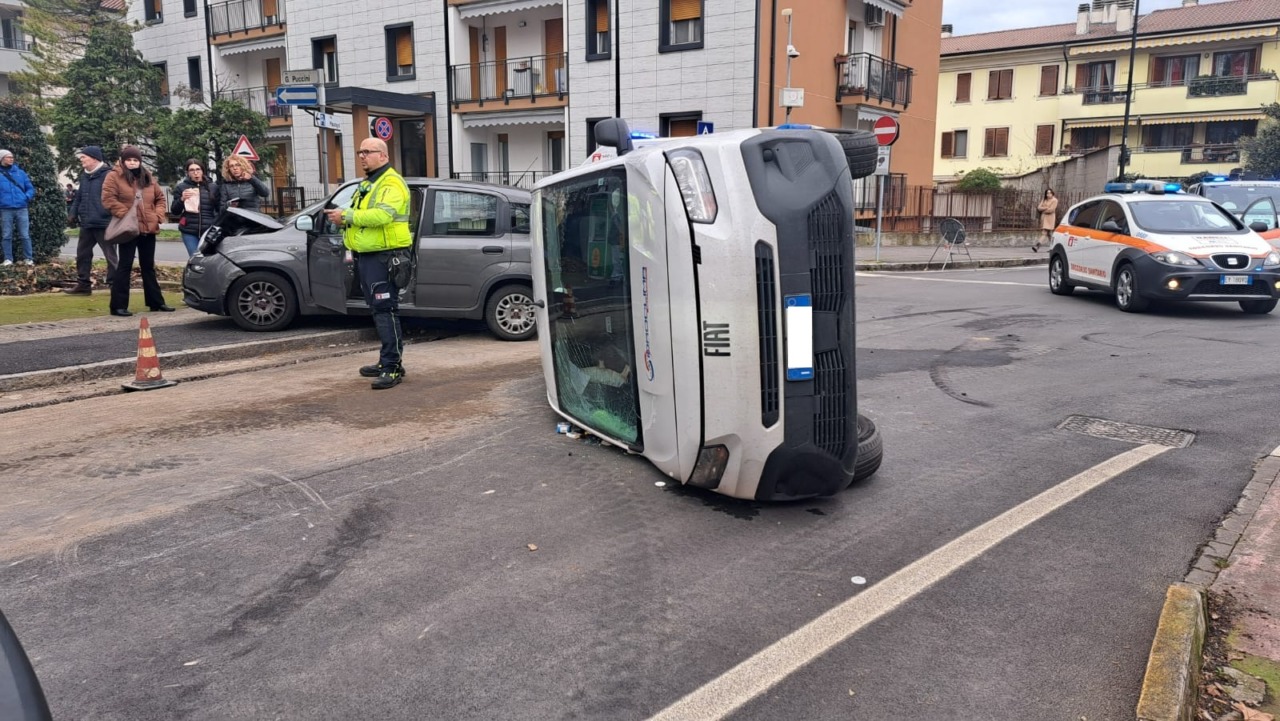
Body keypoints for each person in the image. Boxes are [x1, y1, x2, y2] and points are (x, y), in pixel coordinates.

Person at [324, 138, 412, 390]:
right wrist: (340, 217)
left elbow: (382, 215)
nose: (361, 156)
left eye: (367, 152)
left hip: (385, 256)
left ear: (382, 155)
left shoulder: (392, 182)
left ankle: (393, 367)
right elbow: (356, 212)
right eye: (360, 151)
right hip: (369, 255)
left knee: (386, 309)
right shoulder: (369, 182)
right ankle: (387, 360)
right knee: (378, 308)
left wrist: (347, 216)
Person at [102, 145, 173, 317]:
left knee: (148, 266)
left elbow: (160, 198)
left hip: (148, 227)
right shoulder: (114, 176)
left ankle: (156, 302)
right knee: (124, 266)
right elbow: (108, 199)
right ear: (123, 161)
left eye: (135, 160)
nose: (132, 163)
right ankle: (118, 305)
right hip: (129, 229)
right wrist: (126, 215)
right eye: (129, 160)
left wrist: (157, 216)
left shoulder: (148, 176)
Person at [65, 146, 120, 294]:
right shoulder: (85, 176)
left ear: (94, 158)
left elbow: (116, 198)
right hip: (87, 223)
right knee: (82, 254)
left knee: (111, 256)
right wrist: (72, 213)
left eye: (84, 157)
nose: (81, 159)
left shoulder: (109, 175)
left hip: (105, 223)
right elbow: (79, 198)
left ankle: (116, 285)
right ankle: (83, 284)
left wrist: (109, 214)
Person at [171, 159, 218, 257]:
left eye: (198, 169)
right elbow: (175, 211)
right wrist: (182, 199)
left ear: (202, 171)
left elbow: (219, 208)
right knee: (195, 259)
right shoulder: (181, 187)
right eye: (192, 170)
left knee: (209, 259)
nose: (195, 173)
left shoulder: (213, 187)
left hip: (209, 231)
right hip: (189, 230)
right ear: (188, 173)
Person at [0, 149, 37, 266]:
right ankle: (8, 259)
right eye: (8, 157)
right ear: (1, 159)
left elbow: (30, 188)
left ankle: (28, 258)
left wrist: (25, 197)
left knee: (25, 235)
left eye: (12, 157)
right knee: (6, 235)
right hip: (5, 209)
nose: (11, 159)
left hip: (22, 208)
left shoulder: (20, 173)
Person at [1033, 188, 1058, 252]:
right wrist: (1046, 208)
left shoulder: (1055, 200)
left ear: (1052, 193)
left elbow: (1051, 210)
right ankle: (1053, 248)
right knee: (1048, 233)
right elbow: (1039, 207)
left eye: (1050, 193)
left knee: (1046, 233)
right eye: (1047, 193)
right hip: (1044, 218)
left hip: (1050, 218)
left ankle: (1037, 246)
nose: (1048, 194)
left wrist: (1043, 210)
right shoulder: (1044, 199)